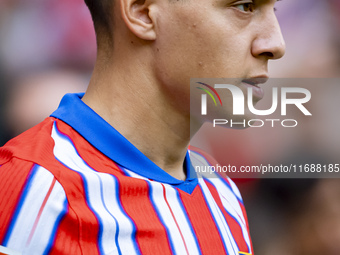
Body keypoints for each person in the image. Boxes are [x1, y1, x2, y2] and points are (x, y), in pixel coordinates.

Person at [0, 0, 285, 254]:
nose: (277, 44)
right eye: (245, 6)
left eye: (274, 10)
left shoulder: (221, 191)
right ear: (142, 13)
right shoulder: (33, 185)